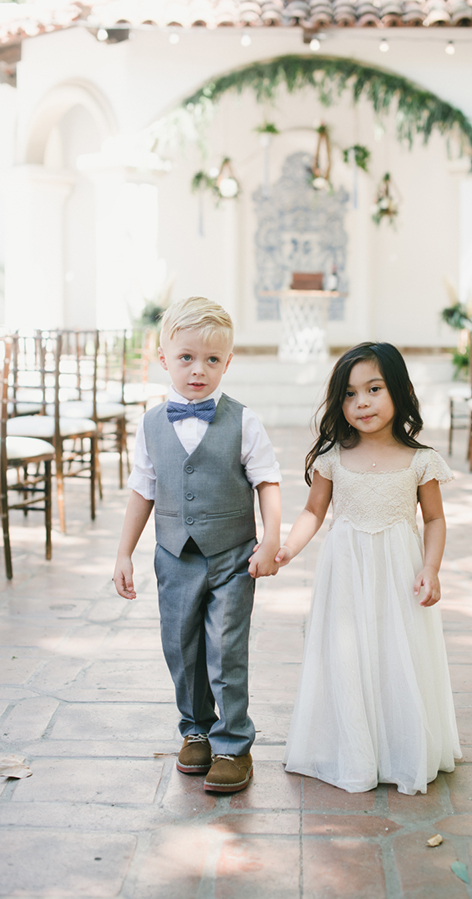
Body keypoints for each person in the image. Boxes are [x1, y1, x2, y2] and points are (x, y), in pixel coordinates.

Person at [275, 342, 461, 794]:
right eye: (350, 393)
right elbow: (314, 513)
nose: (362, 402)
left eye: (374, 389)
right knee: (349, 653)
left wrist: (431, 568)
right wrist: (287, 549)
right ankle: (353, 747)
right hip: (347, 571)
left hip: (400, 571)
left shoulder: (420, 461)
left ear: (397, 391)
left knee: (398, 654)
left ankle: (402, 747)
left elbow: (434, 519)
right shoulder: (334, 458)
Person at [113, 297, 281, 793]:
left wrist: (271, 537)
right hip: (174, 556)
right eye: (186, 357)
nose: (198, 370)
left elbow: (267, 481)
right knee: (181, 647)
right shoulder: (149, 425)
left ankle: (232, 742)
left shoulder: (244, 421)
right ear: (163, 358)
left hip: (234, 556)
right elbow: (143, 489)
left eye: (212, 360)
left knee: (226, 648)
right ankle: (195, 730)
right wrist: (124, 552)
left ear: (227, 363)